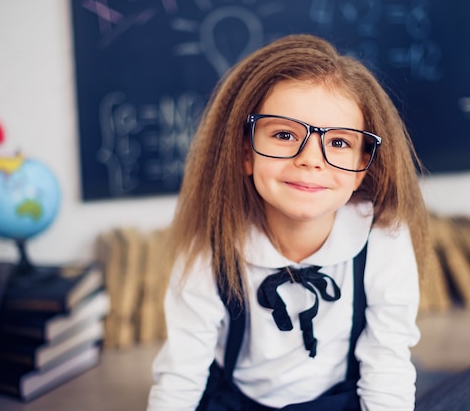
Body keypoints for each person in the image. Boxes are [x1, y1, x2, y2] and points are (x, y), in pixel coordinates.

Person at [146, 34, 431, 411]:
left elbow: (387, 362)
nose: (312, 160)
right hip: (233, 402)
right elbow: (181, 372)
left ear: (364, 167)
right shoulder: (211, 246)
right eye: (284, 135)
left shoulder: (382, 237)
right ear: (245, 154)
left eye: (340, 143)